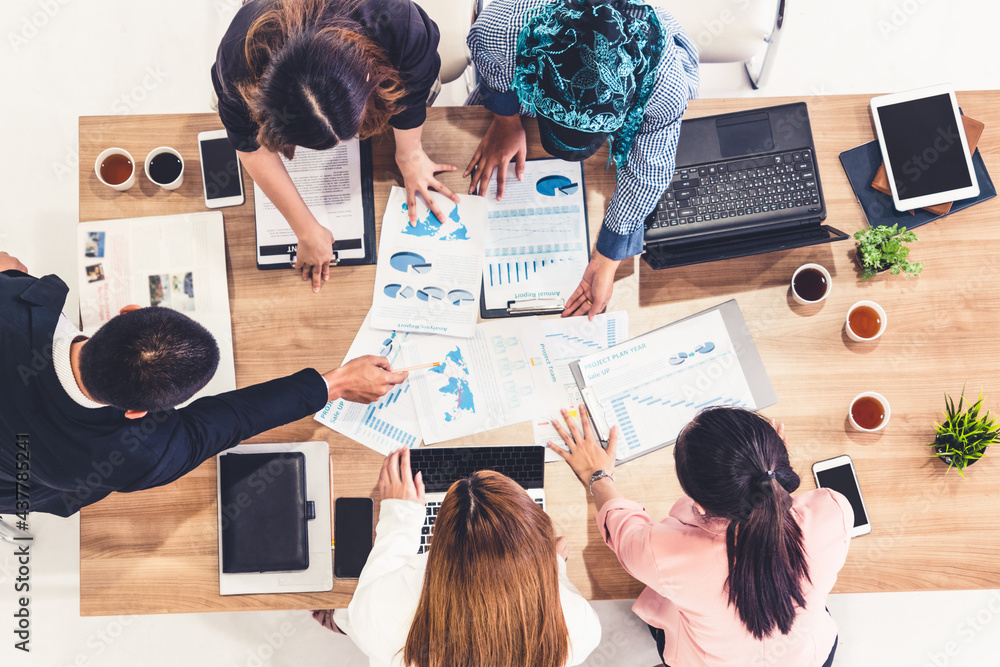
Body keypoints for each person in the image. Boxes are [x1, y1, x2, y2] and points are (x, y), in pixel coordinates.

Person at [0, 252, 406, 517]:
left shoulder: (17, 303)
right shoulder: (136, 454)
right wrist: (336, 383)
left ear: (127, 312)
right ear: (137, 412)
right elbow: (228, 421)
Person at [549, 405, 853, 667]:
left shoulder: (663, 553)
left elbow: (622, 527)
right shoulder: (834, 511)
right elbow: (781, 516)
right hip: (811, 659)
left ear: (698, 503)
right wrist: (768, 478)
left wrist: (598, 475)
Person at [465, 0, 699, 319]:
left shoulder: (662, 82)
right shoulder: (505, 30)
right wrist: (506, 121)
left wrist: (606, 259)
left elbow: (649, 171)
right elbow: (486, 53)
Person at [212, 0, 460, 292]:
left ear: (369, 74)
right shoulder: (238, 57)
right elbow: (249, 144)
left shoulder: (397, 20)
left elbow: (414, 90)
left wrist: (411, 155)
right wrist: (306, 230)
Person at [316, 448, 601, 667]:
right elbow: (557, 594)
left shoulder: (382, 608)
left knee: (346, 613)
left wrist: (400, 514)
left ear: (437, 544)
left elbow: (373, 583)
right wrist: (554, 567)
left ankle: (337, 621)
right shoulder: (578, 627)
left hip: (388, 643)